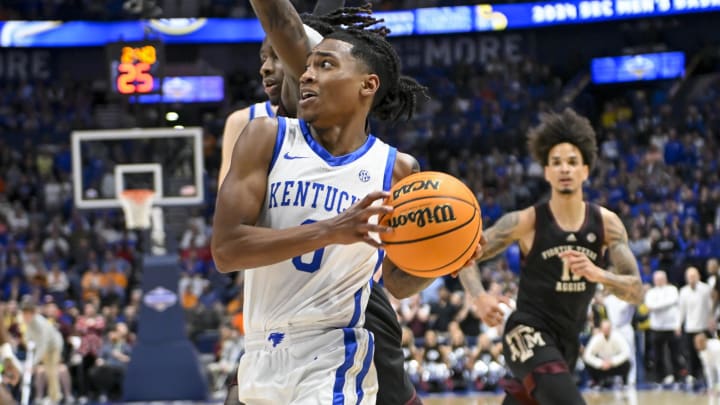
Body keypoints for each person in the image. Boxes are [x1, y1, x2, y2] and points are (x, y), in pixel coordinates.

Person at [218, 2, 503, 404]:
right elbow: (226, 251)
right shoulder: (264, 135)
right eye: (307, 65)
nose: (307, 74)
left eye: (324, 65)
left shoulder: (397, 170)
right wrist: (330, 231)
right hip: (262, 350)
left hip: (338, 350)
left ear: (366, 85)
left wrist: (443, 259)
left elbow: (399, 282)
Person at [470, 108, 643, 405]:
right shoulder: (528, 221)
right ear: (547, 171)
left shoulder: (606, 224)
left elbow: (636, 291)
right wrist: (479, 296)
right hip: (526, 332)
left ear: (585, 170)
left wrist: (598, 273)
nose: (565, 169)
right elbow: (465, 254)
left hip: (566, 343)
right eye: (557, 163)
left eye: (573, 162)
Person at [19, 298, 64, 404]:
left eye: (27, 314)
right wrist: (27, 342)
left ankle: (55, 398)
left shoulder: (41, 324)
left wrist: (33, 363)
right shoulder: (28, 321)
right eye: (24, 314)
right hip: (45, 347)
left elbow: (42, 346)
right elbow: (27, 335)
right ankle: (53, 396)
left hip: (54, 346)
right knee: (48, 372)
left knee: (52, 372)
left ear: (33, 313)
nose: (25, 316)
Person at [582, 320, 632, 388]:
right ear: (601, 329)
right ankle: (596, 382)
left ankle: (625, 382)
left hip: (614, 364)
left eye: (607, 328)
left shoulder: (617, 336)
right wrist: (600, 363)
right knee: (587, 363)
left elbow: (627, 351)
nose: (606, 330)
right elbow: (587, 355)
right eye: (604, 328)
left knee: (627, 363)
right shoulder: (596, 338)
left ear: (611, 328)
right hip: (601, 365)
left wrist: (613, 361)